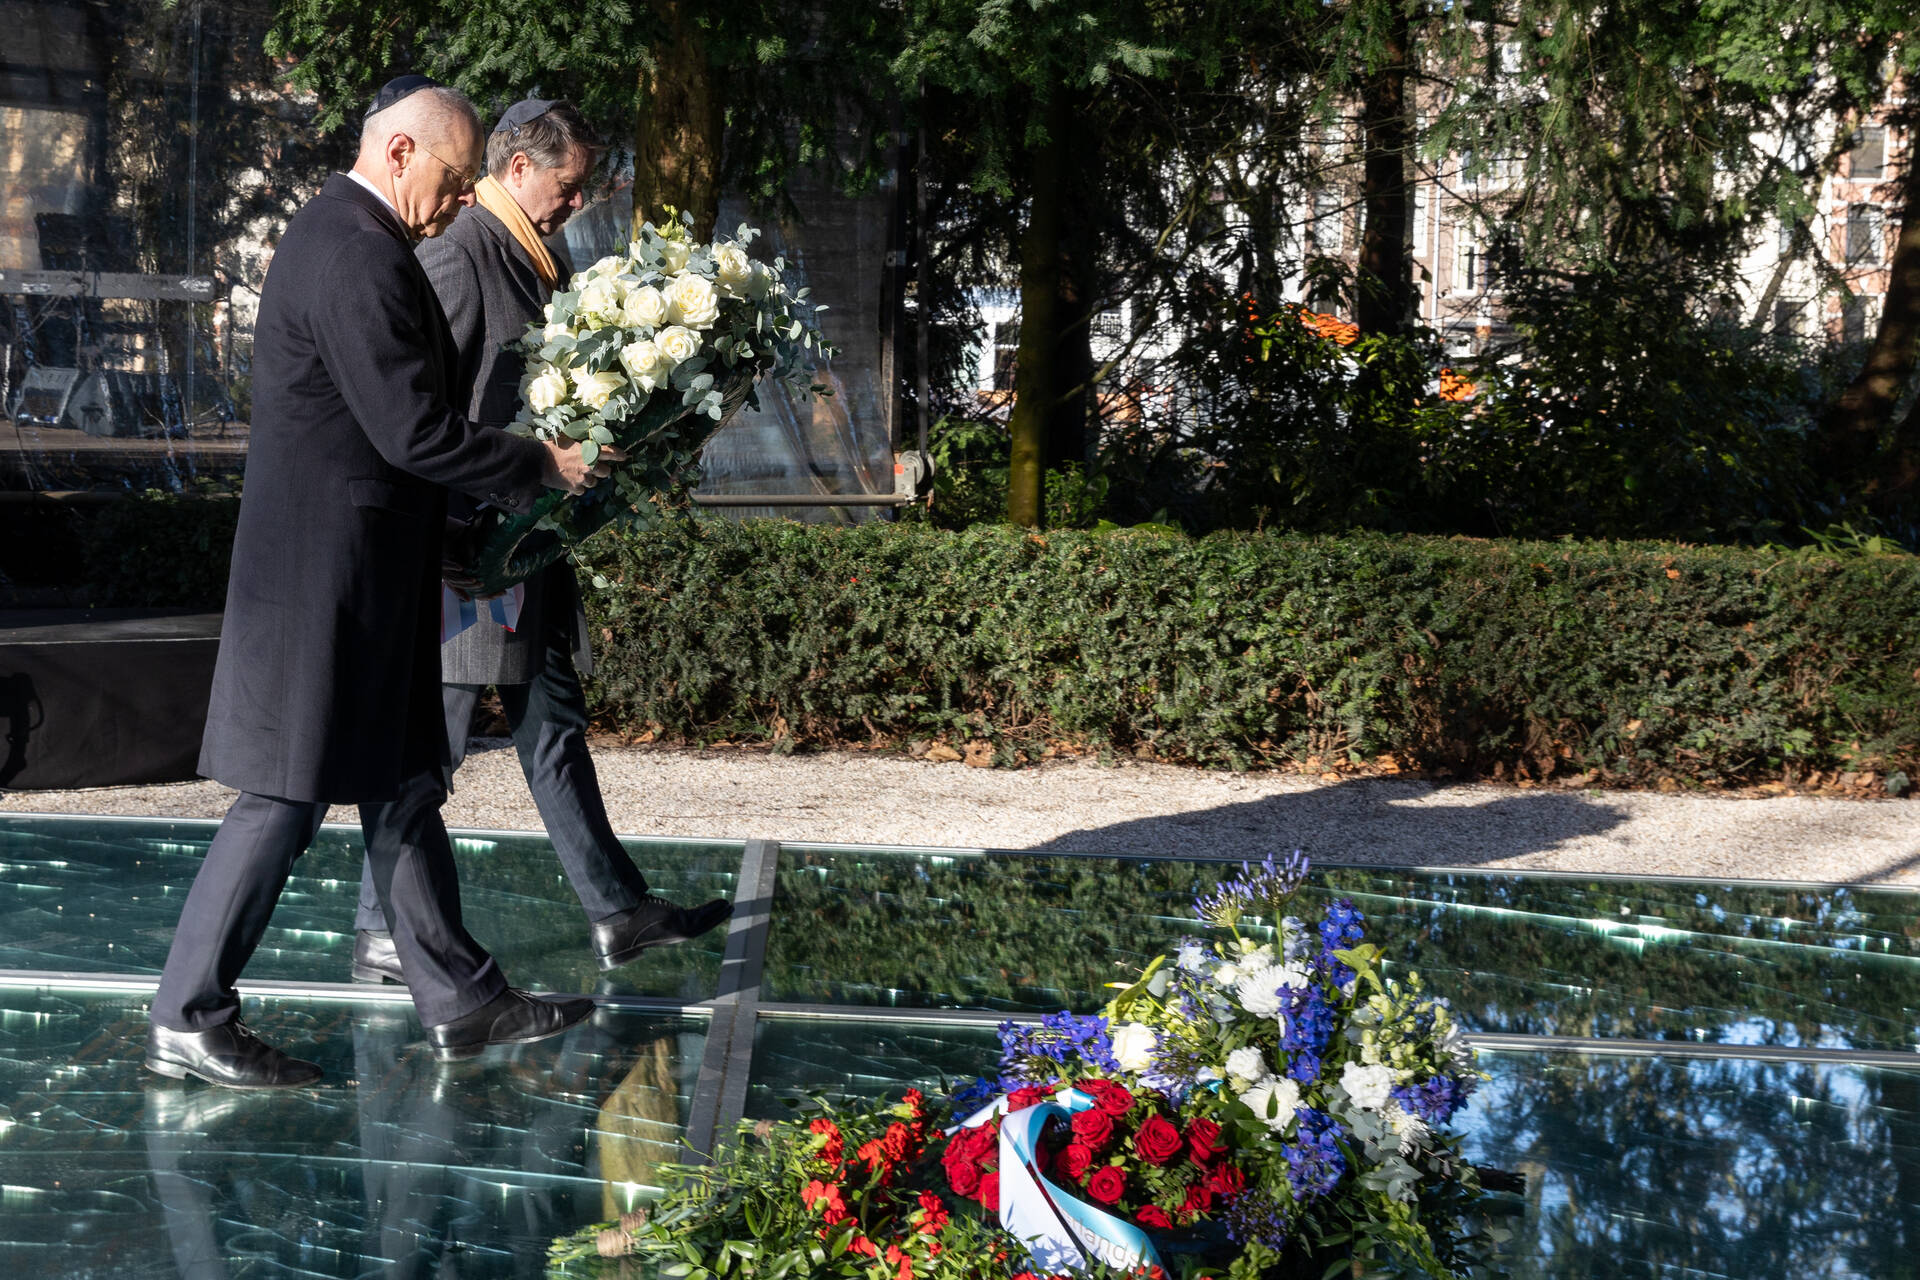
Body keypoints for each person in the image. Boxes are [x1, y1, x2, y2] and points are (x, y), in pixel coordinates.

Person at [146, 77, 611, 1089]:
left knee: (404, 782)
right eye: (450, 177)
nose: (457, 201)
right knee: (282, 795)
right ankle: (188, 1012)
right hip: (325, 580)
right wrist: (541, 461)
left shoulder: (365, 241)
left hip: (363, 571)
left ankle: (466, 1000)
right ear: (398, 152)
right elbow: (411, 429)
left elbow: (391, 433)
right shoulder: (353, 246)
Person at [346, 98, 732, 991]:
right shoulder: (458, 249)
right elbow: (417, 414)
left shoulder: (536, 254)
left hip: (527, 542)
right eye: (570, 184)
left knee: (554, 728)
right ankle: (379, 932)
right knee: (427, 754)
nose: (578, 201)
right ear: (518, 169)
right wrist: (448, 536)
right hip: (468, 554)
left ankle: (618, 914)